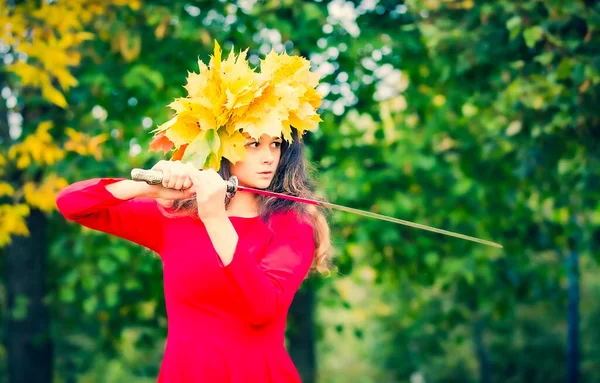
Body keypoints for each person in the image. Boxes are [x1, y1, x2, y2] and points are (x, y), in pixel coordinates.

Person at [56, 42, 333, 382]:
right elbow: (71, 204)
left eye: (275, 144)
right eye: (252, 143)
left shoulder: (293, 222)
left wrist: (215, 218)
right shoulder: (175, 217)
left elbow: (263, 308)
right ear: (223, 147)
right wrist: (149, 187)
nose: (268, 156)